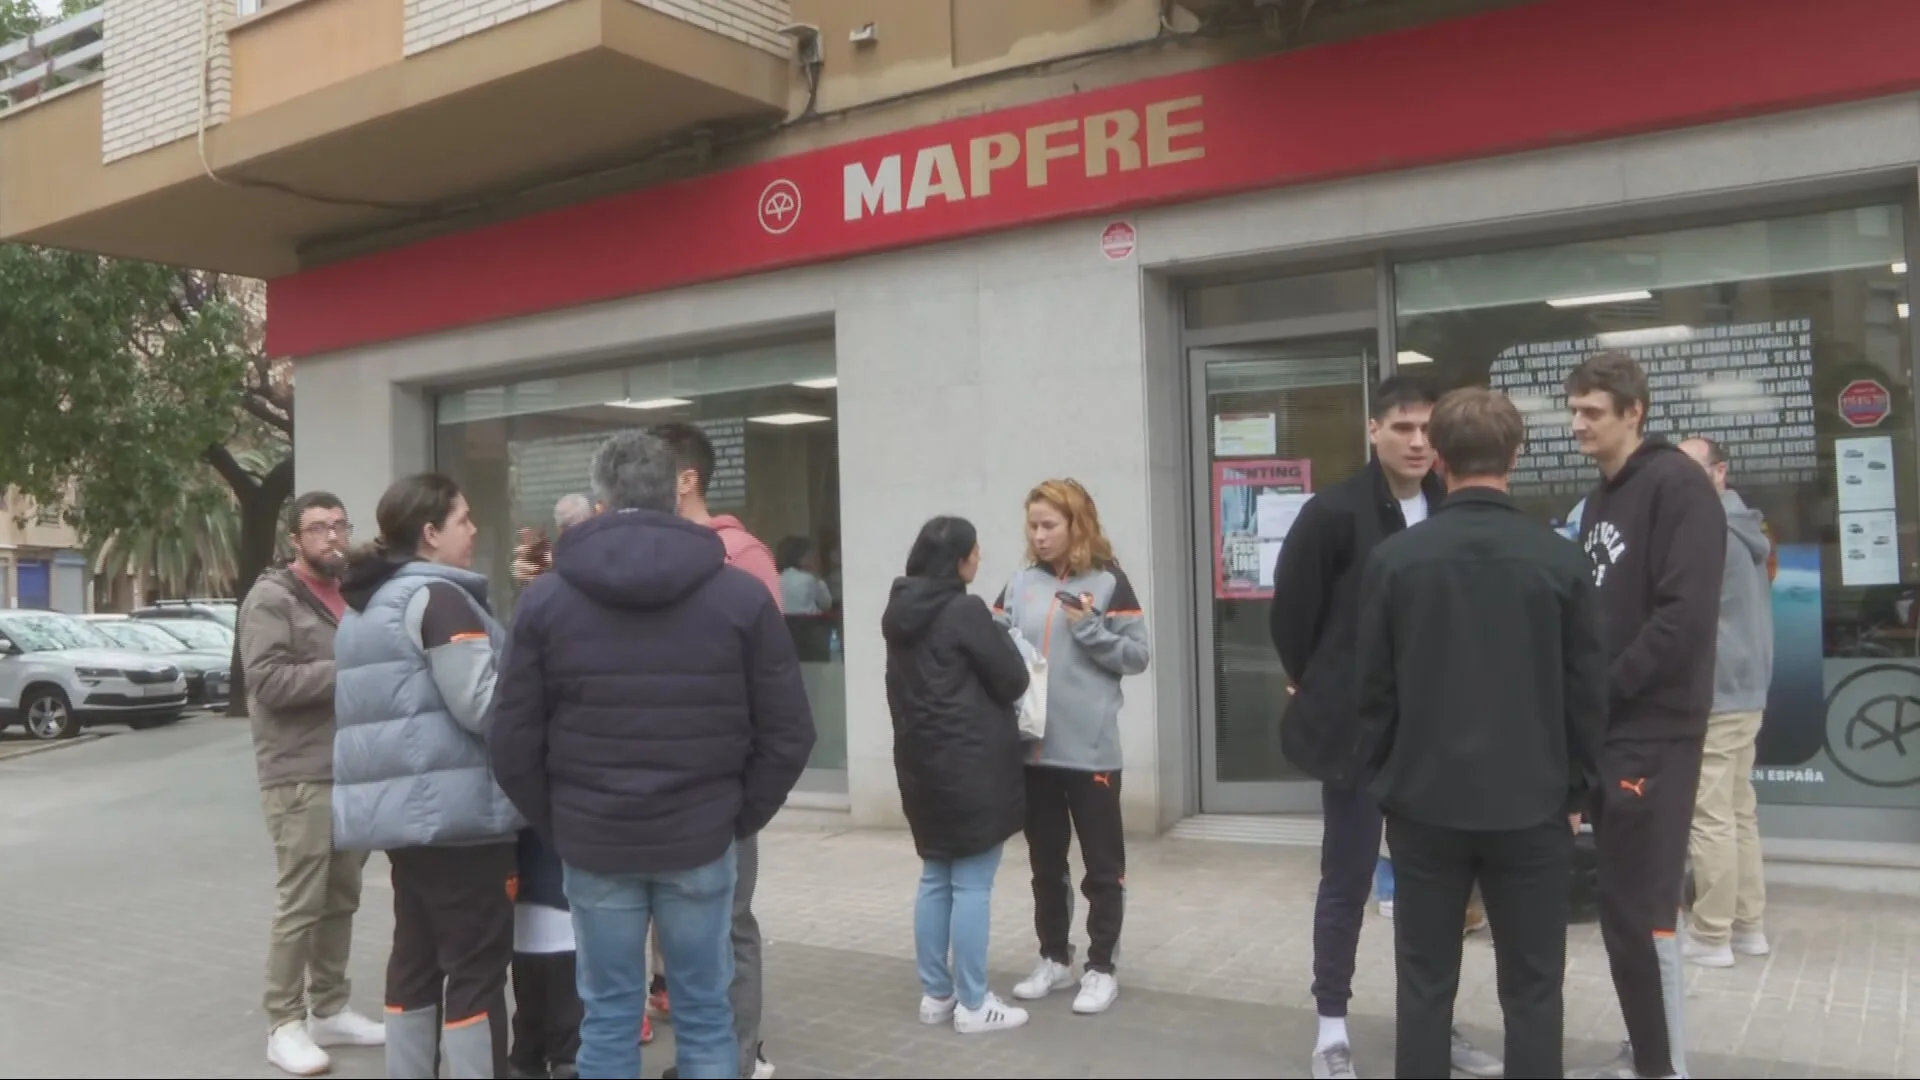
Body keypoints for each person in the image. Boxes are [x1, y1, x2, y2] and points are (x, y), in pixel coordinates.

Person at [489, 430, 816, 1080]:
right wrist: (734, 817)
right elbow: (790, 733)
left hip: (595, 842)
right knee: (703, 1012)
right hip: (700, 838)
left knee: (607, 1014)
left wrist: (562, 824)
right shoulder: (740, 596)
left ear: (601, 502)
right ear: (678, 492)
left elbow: (511, 740)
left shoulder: (546, 603)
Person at [1354, 388, 1608, 1080]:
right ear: (1516, 456)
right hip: (1532, 804)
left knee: (1425, 983)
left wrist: (1384, 780)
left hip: (1424, 803)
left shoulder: (1396, 561)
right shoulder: (1559, 561)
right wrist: (1582, 788)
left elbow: (1370, 693)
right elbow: (1588, 692)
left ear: (1437, 458)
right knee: (1532, 986)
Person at [1267, 376, 1499, 1080]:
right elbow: (1292, 618)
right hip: (1360, 735)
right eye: (1403, 427)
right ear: (1374, 430)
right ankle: (1331, 1027)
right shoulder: (1333, 513)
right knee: (1347, 878)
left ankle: (1435, 1027)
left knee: (1434, 892)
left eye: (1429, 428)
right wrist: (1325, 682)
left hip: (1437, 735)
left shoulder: (1451, 509)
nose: (1418, 440)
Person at [1564, 351, 1727, 1080]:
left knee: (1647, 915)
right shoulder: (1600, 499)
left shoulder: (1678, 487)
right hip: (1609, 729)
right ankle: (1646, 1053)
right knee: (1622, 915)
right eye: (1573, 411)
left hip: (1656, 730)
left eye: (1592, 412)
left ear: (1635, 412)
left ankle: (1664, 1068)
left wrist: (1601, 688)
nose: (1578, 425)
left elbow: (1683, 620)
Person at [332, 473, 525, 1080]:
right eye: (464, 520)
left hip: (406, 824)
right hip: (462, 821)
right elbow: (483, 705)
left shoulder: (365, 608)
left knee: (414, 963)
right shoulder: (439, 600)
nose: (473, 530)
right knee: (475, 970)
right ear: (430, 532)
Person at [649, 421, 785, 1080]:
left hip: (721, 783)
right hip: (657, 781)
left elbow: (771, 686)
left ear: (686, 479)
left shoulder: (742, 556)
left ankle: (736, 1057)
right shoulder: (645, 553)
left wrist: (749, 792)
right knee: (677, 928)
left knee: (728, 921)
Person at [239, 491, 385, 1077]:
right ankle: (283, 1023)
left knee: (342, 896)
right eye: (318, 528)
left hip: (351, 768)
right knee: (301, 899)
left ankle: (330, 1007)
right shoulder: (272, 596)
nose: (332, 537)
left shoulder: (348, 590)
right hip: (298, 772)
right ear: (294, 540)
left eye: (339, 525)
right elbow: (269, 682)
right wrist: (352, 662)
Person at [996, 479, 1150, 1017]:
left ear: (1075, 523)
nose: (1038, 536)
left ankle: (1102, 967)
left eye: (1049, 525)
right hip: (1033, 751)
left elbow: (1137, 656)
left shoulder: (1109, 583)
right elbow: (994, 641)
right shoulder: (1019, 583)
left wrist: (1091, 633)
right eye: (1033, 526)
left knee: (1103, 867)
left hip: (1091, 753)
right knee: (1045, 863)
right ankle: (1054, 959)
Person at [883, 516, 1033, 1035]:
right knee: (971, 883)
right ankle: (973, 1003)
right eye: (974, 552)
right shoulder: (965, 610)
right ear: (959, 560)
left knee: (935, 877)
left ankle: (936, 994)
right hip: (970, 766)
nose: (979, 559)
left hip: (921, 766)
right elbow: (1012, 679)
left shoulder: (899, 610)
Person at [1678, 437, 1774, 968]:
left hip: (1717, 688)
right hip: (1747, 686)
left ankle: (1712, 933)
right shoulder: (1745, 526)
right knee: (1739, 810)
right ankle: (1748, 926)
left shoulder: (1709, 530)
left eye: (1694, 471)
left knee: (1710, 815)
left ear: (1720, 473)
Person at [776, 536, 835, 615]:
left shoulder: (778, 579)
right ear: (802, 558)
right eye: (812, 556)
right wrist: (818, 578)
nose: (816, 560)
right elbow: (826, 604)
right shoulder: (809, 578)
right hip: (810, 623)